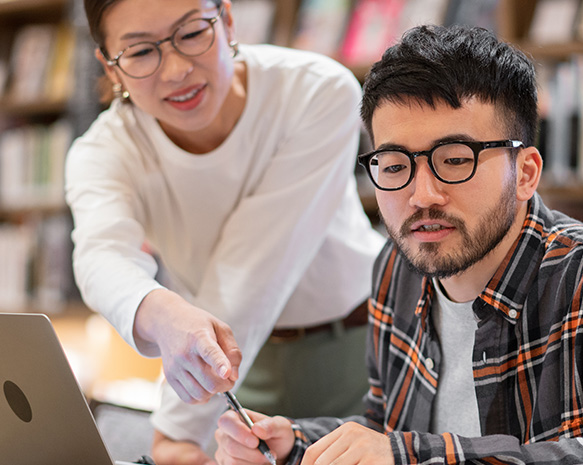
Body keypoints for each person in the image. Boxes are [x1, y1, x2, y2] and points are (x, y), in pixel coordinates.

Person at [214, 24, 583, 465]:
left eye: (454, 159)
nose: (422, 196)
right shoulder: (395, 268)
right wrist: (298, 443)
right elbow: (389, 432)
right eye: (394, 165)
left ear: (526, 172)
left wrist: (410, 454)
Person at [64, 0, 385, 462]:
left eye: (192, 34)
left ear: (228, 21)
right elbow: (101, 256)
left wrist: (176, 429)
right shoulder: (103, 152)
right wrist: (163, 312)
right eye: (139, 53)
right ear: (110, 67)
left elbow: (254, 265)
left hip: (361, 354)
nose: (175, 70)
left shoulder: (316, 90)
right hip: (231, 367)